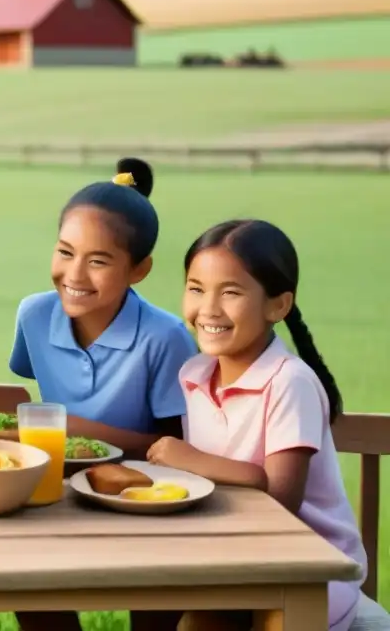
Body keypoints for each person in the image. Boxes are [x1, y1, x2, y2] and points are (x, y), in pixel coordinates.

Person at [147, 220, 365, 631]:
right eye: (196, 288)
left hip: (307, 570)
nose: (209, 308)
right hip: (235, 558)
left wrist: (192, 459)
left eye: (230, 292)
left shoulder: (289, 382)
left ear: (278, 306)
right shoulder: (194, 374)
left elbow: (283, 498)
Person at [7, 159, 197, 631]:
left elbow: (174, 448)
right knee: (19, 568)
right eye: (65, 252)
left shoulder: (165, 338)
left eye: (98, 261)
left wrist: (72, 428)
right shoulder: (34, 316)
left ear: (139, 269)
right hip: (59, 491)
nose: (75, 274)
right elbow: (42, 393)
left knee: (155, 596)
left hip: (145, 500)